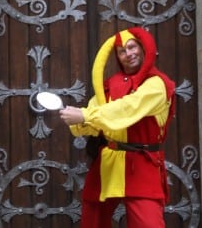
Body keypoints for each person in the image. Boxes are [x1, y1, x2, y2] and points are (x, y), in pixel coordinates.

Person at [59, 27, 176, 228]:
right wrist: (78, 121)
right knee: (92, 221)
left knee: (149, 224)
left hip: (142, 164)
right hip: (109, 162)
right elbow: (95, 120)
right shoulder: (110, 85)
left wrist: (86, 115)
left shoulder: (157, 84)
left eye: (132, 47)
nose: (128, 54)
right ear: (117, 57)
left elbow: (126, 109)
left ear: (142, 49)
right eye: (122, 50)